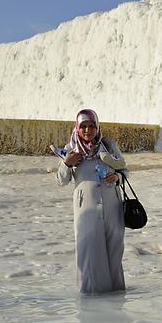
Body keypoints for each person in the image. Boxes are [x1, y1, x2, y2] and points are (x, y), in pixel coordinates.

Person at [56, 109, 127, 294]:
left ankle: (116, 294)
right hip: (85, 208)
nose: (88, 130)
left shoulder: (109, 146)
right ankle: (91, 294)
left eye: (92, 126)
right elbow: (61, 180)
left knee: (114, 248)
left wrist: (117, 177)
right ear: (78, 128)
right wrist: (67, 163)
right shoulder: (71, 149)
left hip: (112, 205)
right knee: (89, 248)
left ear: (97, 126)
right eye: (84, 126)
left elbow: (125, 171)